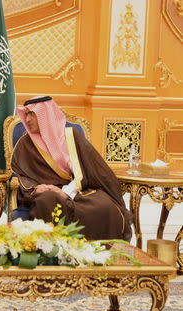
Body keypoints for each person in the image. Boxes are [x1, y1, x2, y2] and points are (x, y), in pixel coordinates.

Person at [11, 96, 133, 241]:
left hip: (78, 189)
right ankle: (54, 251)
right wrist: (35, 188)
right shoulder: (25, 144)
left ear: (46, 115)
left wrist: (67, 192)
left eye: (32, 114)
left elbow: (90, 170)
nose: (28, 119)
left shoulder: (71, 136)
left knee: (106, 206)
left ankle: (98, 252)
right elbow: (20, 175)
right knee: (46, 201)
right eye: (26, 115)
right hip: (48, 191)